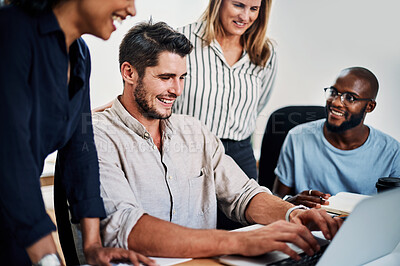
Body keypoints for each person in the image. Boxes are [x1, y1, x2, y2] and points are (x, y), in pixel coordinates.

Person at [93, 20, 342, 261]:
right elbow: (126, 226)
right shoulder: (98, 136)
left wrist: (293, 214)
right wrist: (238, 242)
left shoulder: (194, 131)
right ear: (129, 73)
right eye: (166, 77)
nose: (177, 90)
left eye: (182, 78)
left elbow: (243, 194)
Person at [0, 1, 155, 265]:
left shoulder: (79, 54)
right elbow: (9, 152)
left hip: (16, 218)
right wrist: (46, 253)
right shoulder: (10, 29)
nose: (132, 10)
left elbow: (79, 151)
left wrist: (93, 245)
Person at [173, 0, 277, 181]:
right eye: (238, 5)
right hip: (187, 151)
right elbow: (156, 95)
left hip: (240, 156)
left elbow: (258, 105)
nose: (245, 17)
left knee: (250, 208)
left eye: (254, 9)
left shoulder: (265, 52)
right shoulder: (180, 40)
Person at [273, 67, 400, 208]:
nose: (336, 102)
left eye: (350, 98)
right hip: (307, 225)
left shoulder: (392, 152)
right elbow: (277, 199)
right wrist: (291, 202)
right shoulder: (297, 137)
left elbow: (394, 212)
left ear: (369, 106)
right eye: (333, 92)